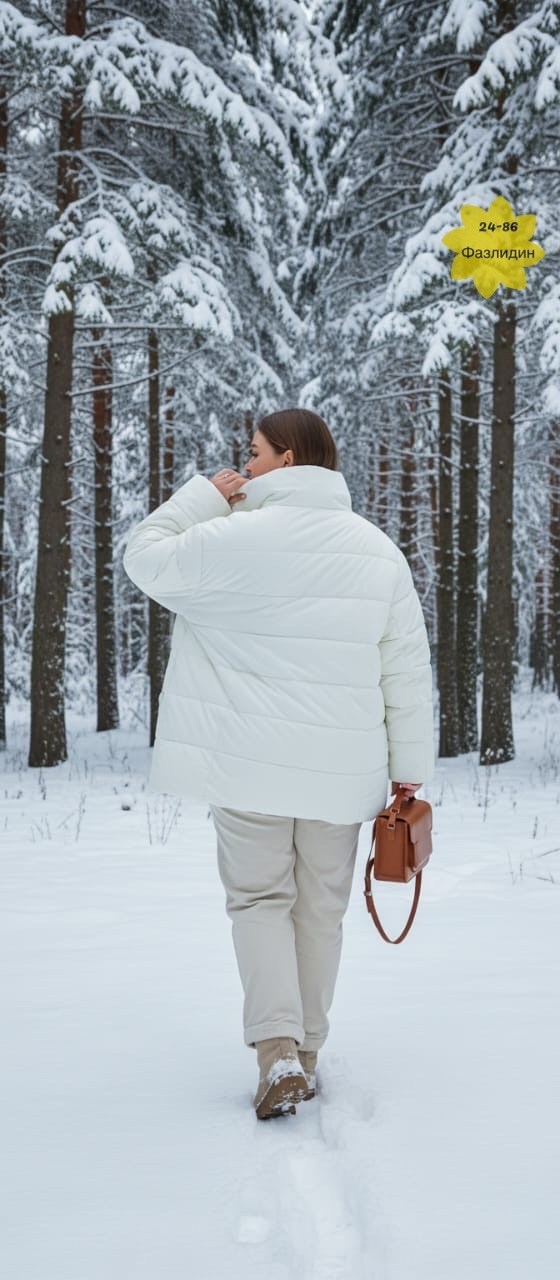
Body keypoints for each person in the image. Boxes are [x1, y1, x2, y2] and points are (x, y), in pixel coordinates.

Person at [123, 408, 434, 1119]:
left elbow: (144, 554)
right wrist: (408, 769)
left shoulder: (228, 536)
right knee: (321, 913)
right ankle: (308, 1053)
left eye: (255, 453)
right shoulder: (376, 551)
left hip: (247, 768)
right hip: (340, 769)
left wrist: (205, 493)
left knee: (261, 902)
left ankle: (277, 1054)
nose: (248, 464)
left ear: (288, 459)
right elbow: (405, 672)